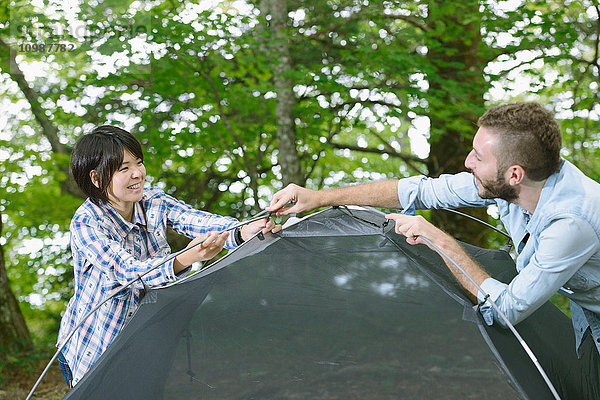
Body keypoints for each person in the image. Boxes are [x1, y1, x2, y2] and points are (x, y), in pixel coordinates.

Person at [268, 102, 600, 357]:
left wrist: (438, 239)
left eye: (478, 157)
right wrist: (319, 198)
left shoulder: (571, 222)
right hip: (588, 319)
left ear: (515, 174)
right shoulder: (520, 182)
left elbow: (507, 310)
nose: (468, 162)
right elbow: (420, 191)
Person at [57, 125, 281, 387]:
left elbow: (197, 220)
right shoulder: (87, 223)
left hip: (143, 338)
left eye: (139, 163)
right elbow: (130, 273)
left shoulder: (153, 201)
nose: (137, 174)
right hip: (94, 345)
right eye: (123, 168)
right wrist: (188, 257)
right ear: (96, 178)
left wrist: (244, 231)